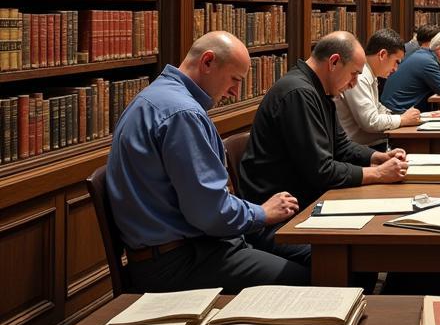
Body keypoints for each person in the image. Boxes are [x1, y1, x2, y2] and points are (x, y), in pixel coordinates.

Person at [105, 32, 310, 292]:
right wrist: (262, 212)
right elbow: (210, 213)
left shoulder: (156, 96)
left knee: (308, 254)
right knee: (312, 276)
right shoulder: (183, 114)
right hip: (180, 261)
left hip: (181, 248)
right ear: (208, 62)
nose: (236, 92)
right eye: (235, 79)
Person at [238, 32, 409, 212]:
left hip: (306, 197)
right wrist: (378, 173)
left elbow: (341, 145)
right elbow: (321, 171)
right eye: (354, 74)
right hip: (285, 211)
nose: (354, 83)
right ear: (334, 62)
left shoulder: (320, 91)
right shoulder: (299, 93)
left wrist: (378, 157)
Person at [335, 27, 421, 147]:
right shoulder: (360, 76)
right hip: (358, 150)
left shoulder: (369, 73)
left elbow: (377, 108)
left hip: (368, 145)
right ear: (383, 54)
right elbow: (371, 122)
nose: (396, 69)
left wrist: (402, 116)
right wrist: (402, 119)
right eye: (396, 61)